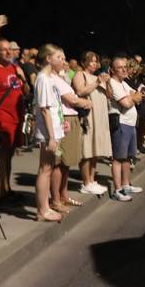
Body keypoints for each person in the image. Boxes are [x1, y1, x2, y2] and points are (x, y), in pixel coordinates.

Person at [0, 39, 30, 200]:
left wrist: (23, 78)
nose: (8, 52)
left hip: (17, 119)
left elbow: (26, 91)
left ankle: (7, 189)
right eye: (3, 50)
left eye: (10, 49)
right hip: (2, 119)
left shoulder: (15, 68)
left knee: (9, 156)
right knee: (1, 157)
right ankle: (0, 194)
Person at [33, 44, 66, 222]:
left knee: (49, 168)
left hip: (54, 130)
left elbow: (54, 108)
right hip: (47, 133)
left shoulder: (50, 79)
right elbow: (45, 110)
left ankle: (44, 207)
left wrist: (61, 125)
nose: (63, 61)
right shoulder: (43, 79)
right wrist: (52, 136)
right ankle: (42, 210)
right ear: (48, 59)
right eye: (59, 57)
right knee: (45, 170)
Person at [51, 69, 92, 213]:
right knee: (59, 162)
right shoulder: (51, 78)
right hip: (64, 119)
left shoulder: (60, 78)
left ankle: (64, 195)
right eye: (59, 57)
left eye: (63, 57)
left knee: (66, 162)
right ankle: (56, 200)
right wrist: (85, 102)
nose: (63, 61)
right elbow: (71, 99)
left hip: (70, 118)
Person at [71, 52, 111, 195]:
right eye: (92, 61)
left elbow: (109, 95)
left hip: (99, 117)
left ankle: (92, 180)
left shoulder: (97, 77)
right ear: (84, 62)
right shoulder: (79, 75)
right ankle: (85, 182)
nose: (95, 64)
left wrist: (107, 82)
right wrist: (97, 82)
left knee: (95, 150)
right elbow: (81, 91)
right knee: (87, 150)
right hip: (88, 117)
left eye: (96, 62)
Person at [108, 57, 145, 201]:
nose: (124, 69)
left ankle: (126, 185)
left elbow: (139, 96)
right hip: (121, 124)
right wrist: (133, 97)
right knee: (118, 158)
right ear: (112, 70)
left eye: (125, 66)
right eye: (120, 67)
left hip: (130, 123)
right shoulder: (113, 83)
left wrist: (134, 97)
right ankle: (118, 190)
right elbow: (127, 103)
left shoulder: (123, 83)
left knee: (128, 157)